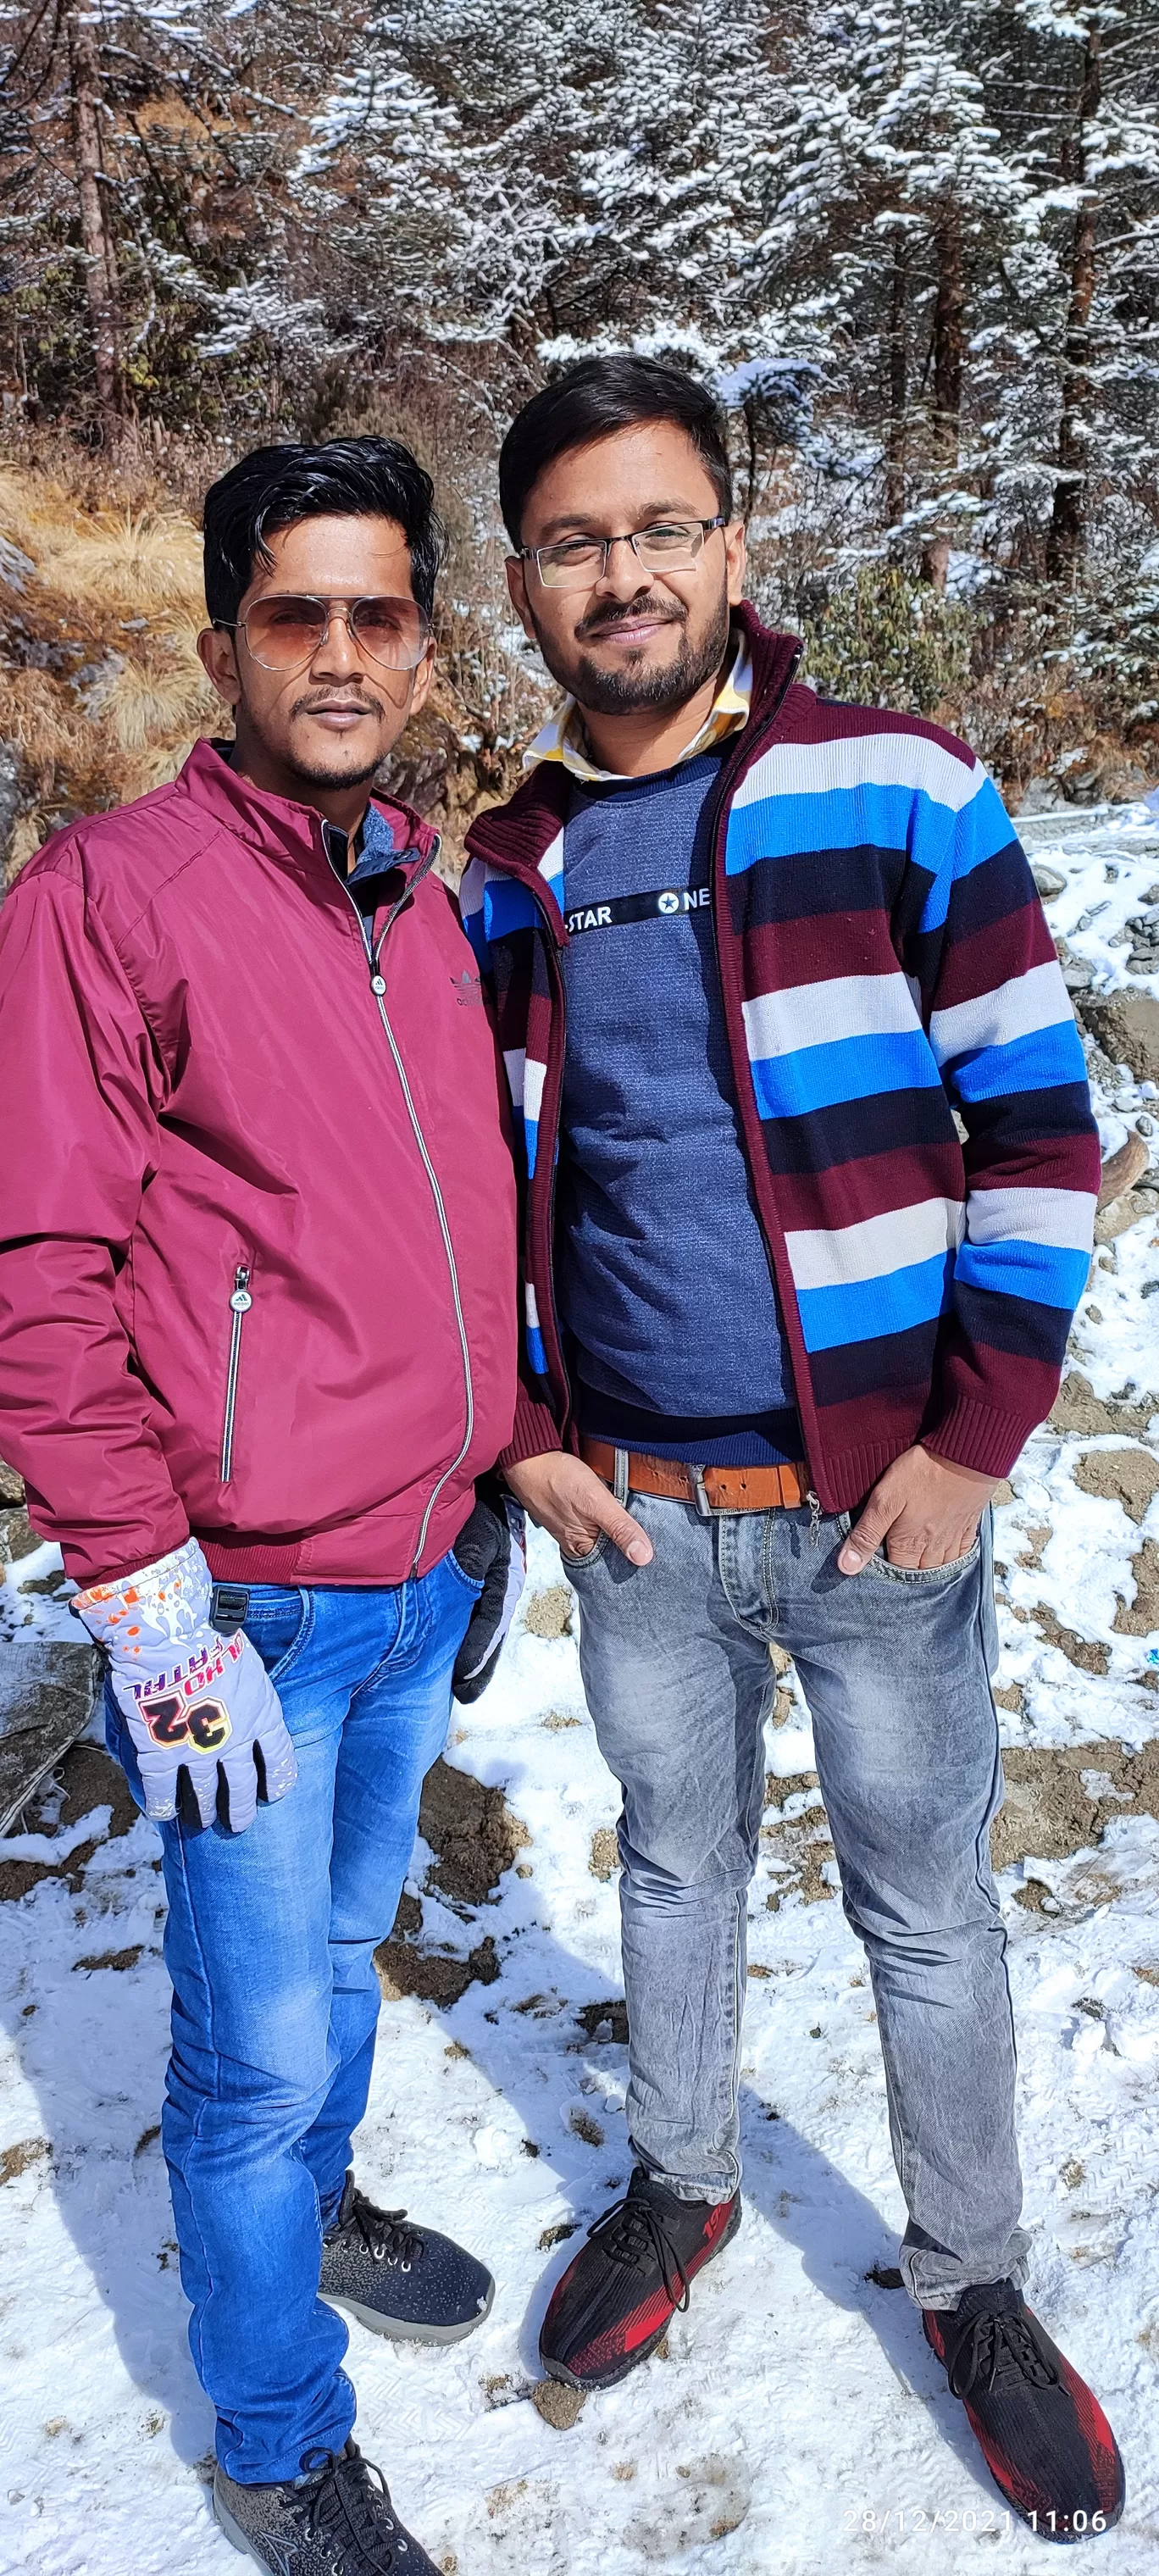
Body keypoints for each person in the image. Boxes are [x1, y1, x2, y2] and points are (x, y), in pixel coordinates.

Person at [461, 356, 1125, 2541]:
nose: (624, 571)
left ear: (733, 545)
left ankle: (977, 2277)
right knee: (672, 1866)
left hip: (881, 1509)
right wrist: (538, 1435)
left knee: (926, 1912)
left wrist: (976, 1437)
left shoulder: (896, 785)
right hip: (644, 1508)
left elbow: (1042, 1125)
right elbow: (487, 1180)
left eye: (661, 525)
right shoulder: (513, 863)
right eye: (575, 539)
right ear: (526, 584)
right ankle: (682, 2187)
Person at [0, 437, 526, 2575]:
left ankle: (314, 2201)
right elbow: (34, 1280)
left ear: (418, 641)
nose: (335, 651)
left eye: (375, 611)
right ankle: (280, 2435)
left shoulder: (425, 887)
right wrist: (145, 1604)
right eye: (290, 612)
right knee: (243, 2050)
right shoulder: (106, 899)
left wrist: (483, 1491)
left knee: (331, 1952)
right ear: (222, 641)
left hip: (417, 1576)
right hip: (240, 1615)